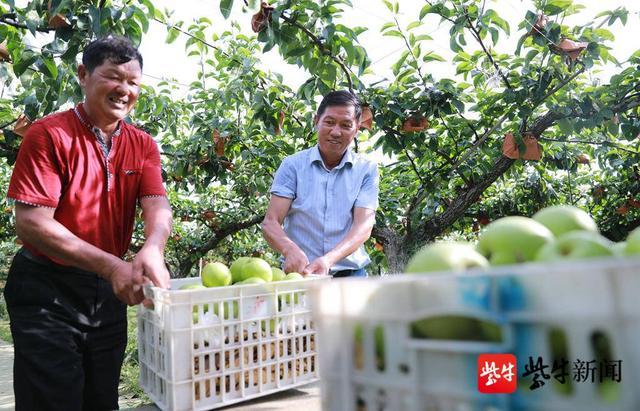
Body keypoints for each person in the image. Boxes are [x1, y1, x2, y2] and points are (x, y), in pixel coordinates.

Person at [3, 36, 172, 411]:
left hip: (106, 294)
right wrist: (113, 265)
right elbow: (31, 223)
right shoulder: (49, 134)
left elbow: (157, 203)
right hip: (48, 290)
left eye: (133, 83)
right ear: (83, 75)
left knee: (101, 398)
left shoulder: (143, 144)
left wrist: (153, 248)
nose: (124, 90)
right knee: (53, 399)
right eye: (113, 77)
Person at [262, 90, 379, 277]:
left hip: (349, 275)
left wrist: (328, 260)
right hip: (300, 274)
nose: (335, 131)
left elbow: (363, 226)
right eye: (329, 122)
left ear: (357, 129)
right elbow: (271, 222)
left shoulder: (366, 170)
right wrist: (289, 249)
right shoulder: (293, 166)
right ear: (316, 121)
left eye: (346, 125)